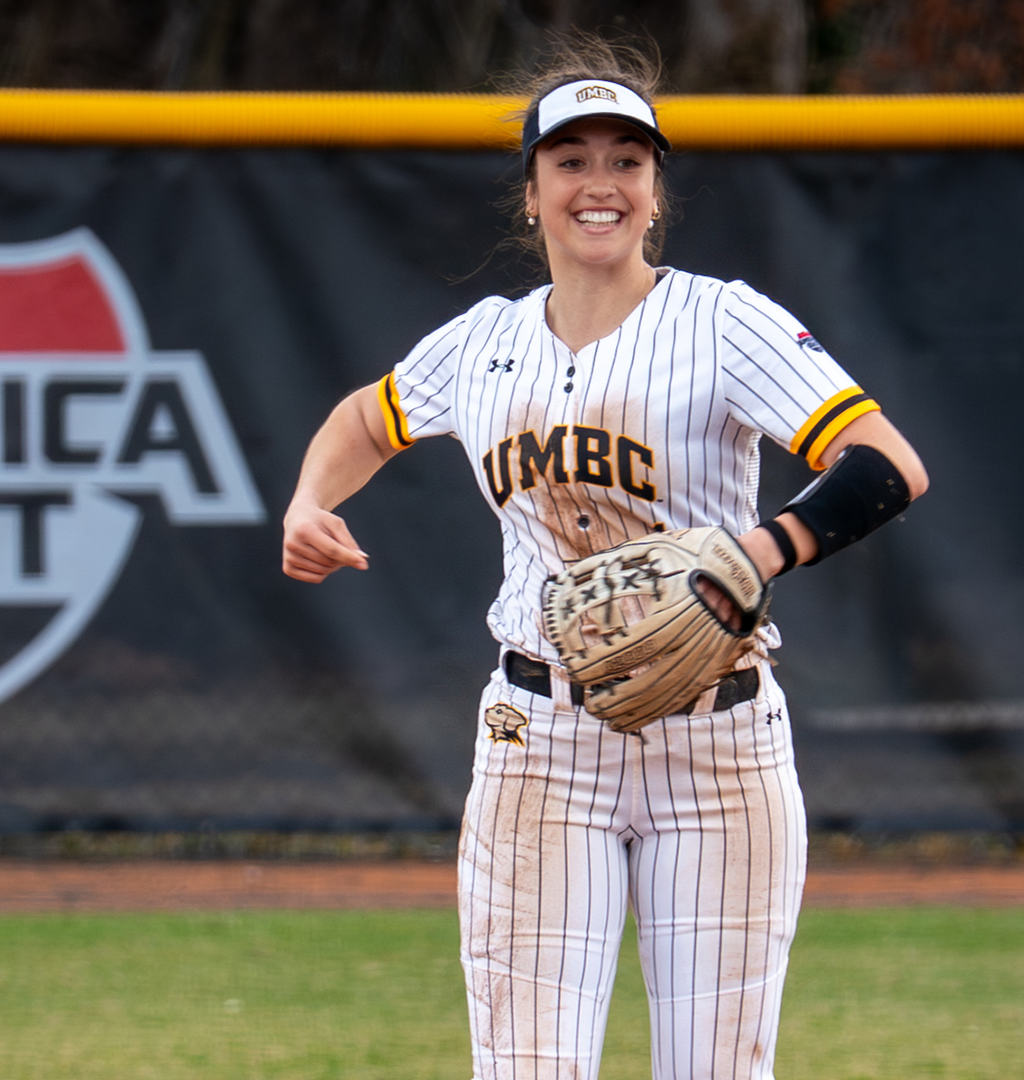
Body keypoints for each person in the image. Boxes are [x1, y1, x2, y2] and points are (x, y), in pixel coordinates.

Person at [282, 37, 927, 1080]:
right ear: (530, 194)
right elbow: (367, 417)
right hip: (541, 742)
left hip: (718, 748)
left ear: (657, 191)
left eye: (627, 159)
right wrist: (309, 499)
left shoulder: (722, 322)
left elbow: (888, 464)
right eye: (570, 159)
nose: (600, 183)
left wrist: (757, 555)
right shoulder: (481, 343)